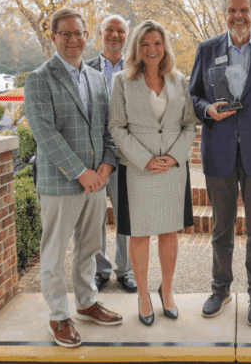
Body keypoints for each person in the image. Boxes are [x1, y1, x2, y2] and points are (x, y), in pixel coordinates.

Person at [25, 7, 122, 349]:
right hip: (62, 182)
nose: (73, 40)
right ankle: (58, 316)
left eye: (78, 33)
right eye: (65, 34)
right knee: (53, 253)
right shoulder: (39, 78)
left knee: (89, 247)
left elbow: (107, 128)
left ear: (86, 36)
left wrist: (106, 166)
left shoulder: (96, 78)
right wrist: (81, 173)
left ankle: (85, 303)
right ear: (53, 37)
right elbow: (44, 132)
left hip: (97, 180)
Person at [188, 0, 251, 325]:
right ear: (223, 13)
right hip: (219, 150)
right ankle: (220, 289)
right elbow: (193, 95)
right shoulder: (207, 49)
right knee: (221, 228)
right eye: (231, 11)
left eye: (244, 10)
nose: (238, 16)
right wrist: (208, 108)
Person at [109, 20, 197, 326]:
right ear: (136, 47)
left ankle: (167, 292)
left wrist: (174, 157)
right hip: (138, 170)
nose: (151, 49)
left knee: (169, 232)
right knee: (140, 234)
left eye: (157, 43)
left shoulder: (178, 80)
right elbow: (116, 127)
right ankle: (143, 295)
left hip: (173, 169)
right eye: (145, 44)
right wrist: (145, 159)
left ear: (165, 46)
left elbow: (189, 124)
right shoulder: (122, 80)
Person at [86, 15, 137, 294]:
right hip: (94, 155)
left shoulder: (136, 69)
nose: (114, 35)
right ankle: (100, 270)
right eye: (109, 30)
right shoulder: (85, 68)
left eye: (120, 31)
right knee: (95, 216)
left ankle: (125, 270)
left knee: (125, 216)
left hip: (125, 153)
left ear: (126, 36)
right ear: (100, 34)